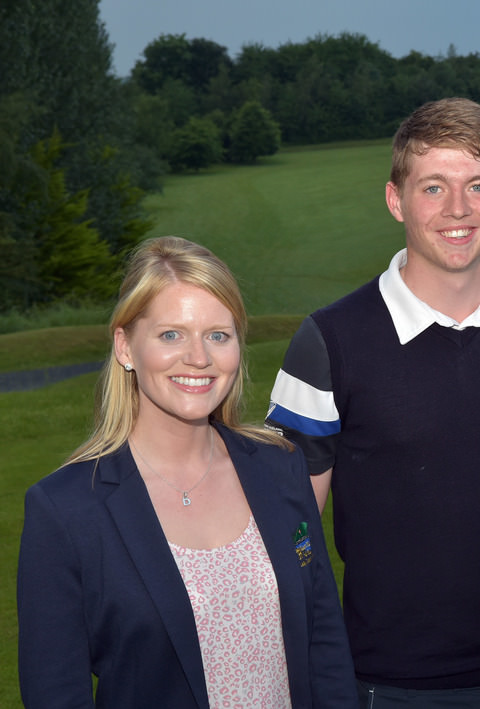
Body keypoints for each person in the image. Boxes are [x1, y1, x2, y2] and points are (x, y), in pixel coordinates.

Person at [265, 98, 480, 707]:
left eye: (476, 186)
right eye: (433, 188)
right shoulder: (329, 341)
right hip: (394, 681)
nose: (457, 209)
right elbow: (293, 520)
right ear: (396, 200)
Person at [17, 236, 355, 708]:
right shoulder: (67, 511)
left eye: (218, 335)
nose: (199, 357)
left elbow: (325, 647)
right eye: (171, 334)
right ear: (126, 347)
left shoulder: (281, 468)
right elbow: (56, 692)